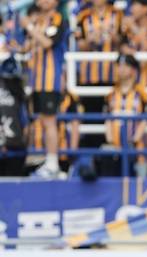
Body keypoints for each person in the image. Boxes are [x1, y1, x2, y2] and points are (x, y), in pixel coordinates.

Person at [23, 0, 68, 178]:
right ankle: (44, 160)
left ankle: (53, 163)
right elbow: (27, 46)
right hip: (35, 80)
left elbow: (48, 43)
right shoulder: (38, 20)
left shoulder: (58, 19)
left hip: (51, 80)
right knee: (40, 121)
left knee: (49, 121)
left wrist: (29, 27)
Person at [103, 54, 147, 177]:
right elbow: (107, 118)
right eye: (119, 66)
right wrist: (110, 140)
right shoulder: (111, 94)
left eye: (126, 66)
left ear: (134, 70)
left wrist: (133, 140)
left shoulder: (141, 94)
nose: (122, 69)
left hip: (135, 148)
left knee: (138, 185)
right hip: (115, 146)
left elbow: (145, 119)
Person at [120, 0, 147, 108]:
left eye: (135, 5)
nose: (131, 9)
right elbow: (122, 47)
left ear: (146, 8)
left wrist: (134, 27)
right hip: (131, 82)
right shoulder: (127, 30)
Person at [75, 0, 123, 89]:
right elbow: (80, 45)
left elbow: (124, 42)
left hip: (113, 72)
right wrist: (90, 39)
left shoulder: (118, 14)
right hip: (89, 72)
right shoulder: (83, 16)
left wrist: (112, 35)